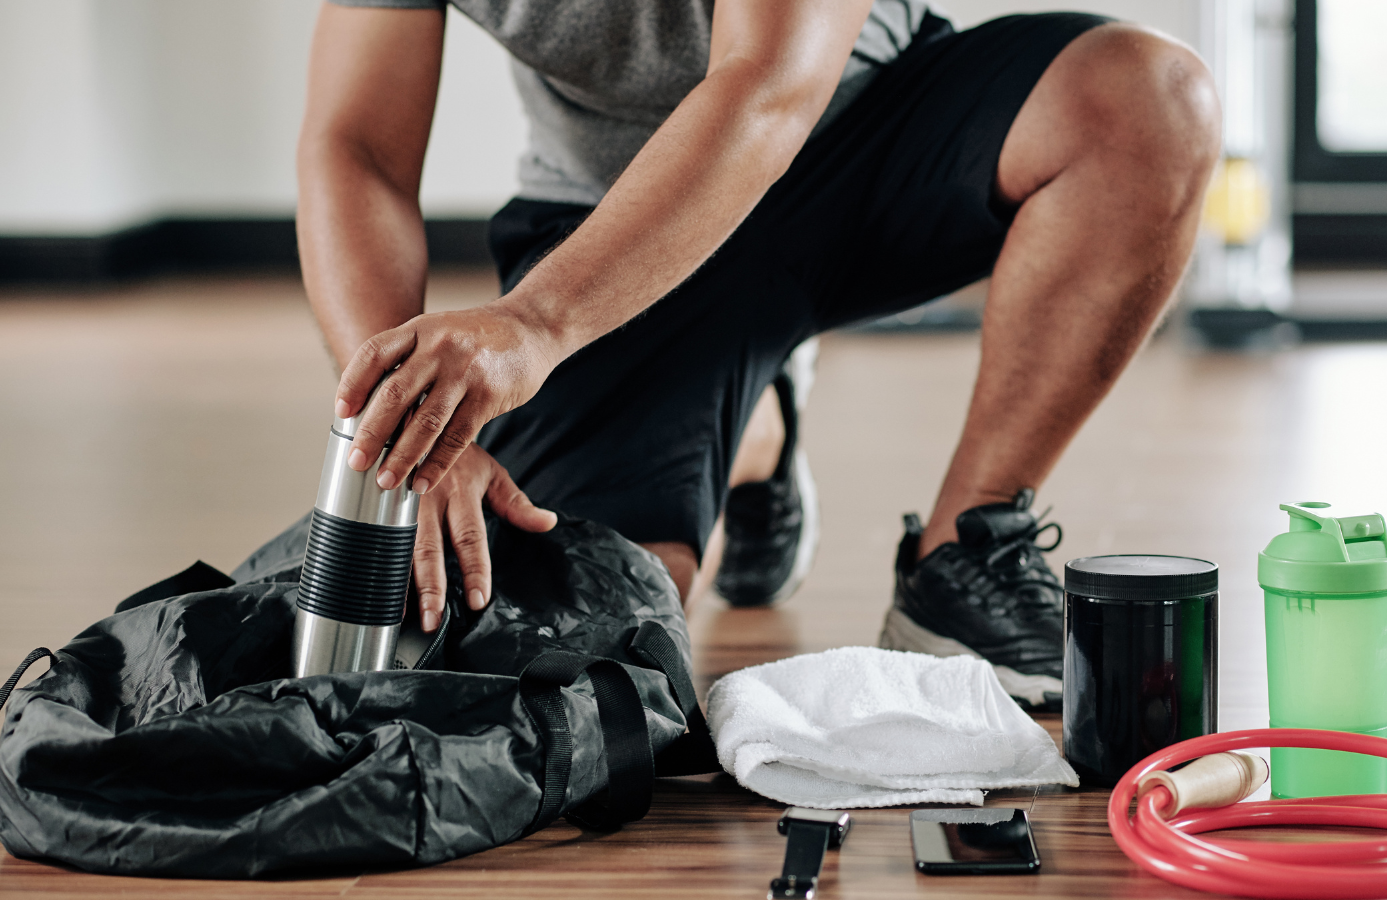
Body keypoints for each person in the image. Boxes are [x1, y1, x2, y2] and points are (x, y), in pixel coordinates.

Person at [296, 0, 1219, 710]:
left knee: (1148, 101)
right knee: (599, 636)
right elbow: (357, 147)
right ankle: (761, 435)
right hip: (609, 224)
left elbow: (768, 81)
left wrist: (536, 325)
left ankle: (961, 551)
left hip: (853, 148)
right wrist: (402, 425)